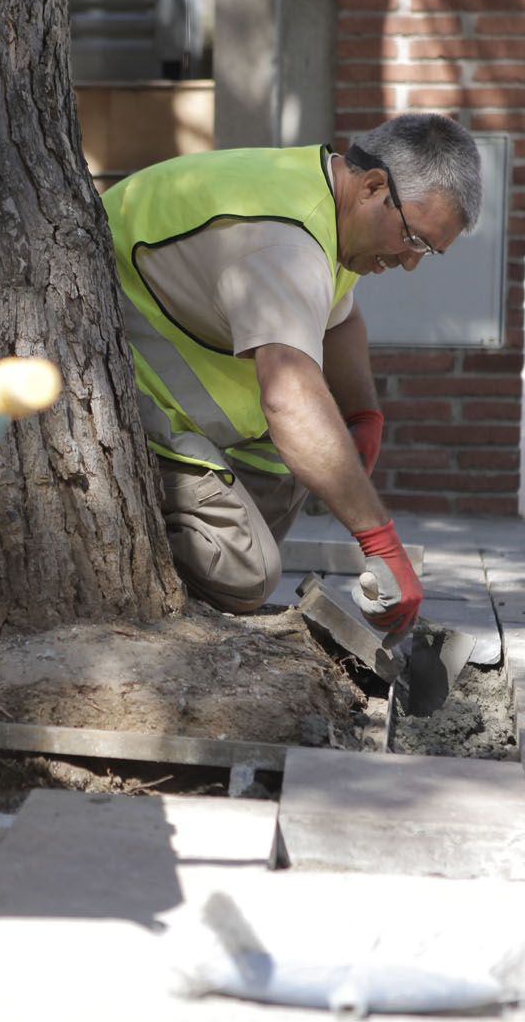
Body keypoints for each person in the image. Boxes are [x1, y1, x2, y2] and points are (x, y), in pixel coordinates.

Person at [101, 112, 482, 638]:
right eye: (413, 239)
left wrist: (363, 414)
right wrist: (380, 541)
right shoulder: (285, 242)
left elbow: (340, 318)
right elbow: (288, 400)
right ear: (374, 186)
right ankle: (112, 554)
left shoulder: (330, 202)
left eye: (427, 252)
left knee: (310, 458)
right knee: (245, 574)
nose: (410, 263)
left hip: (180, 386)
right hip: (126, 385)